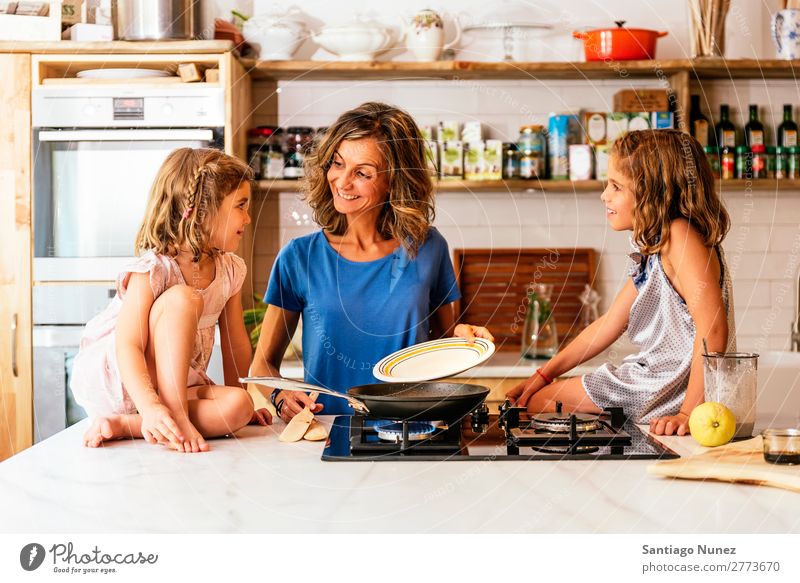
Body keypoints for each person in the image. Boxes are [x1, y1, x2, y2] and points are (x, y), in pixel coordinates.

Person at [250, 102, 493, 421]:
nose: (342, 181)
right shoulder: (299, 257)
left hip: (413, 426)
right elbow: (262, 365)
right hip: (328, 427)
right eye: (337, 164)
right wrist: (281, 396)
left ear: (395, 180)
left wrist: (464, 335)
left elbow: (444, 342)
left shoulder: (429, 247)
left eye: (362, 173)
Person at [507, 129, 736, 436]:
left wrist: (688, 412)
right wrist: (543, 374)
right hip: (656, 381)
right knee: (540, 397)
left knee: (540, 403)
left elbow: (714, 330)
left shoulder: (680, 237)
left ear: (653, 192)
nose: (605, 195)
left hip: (667, 388)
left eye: (616, 186)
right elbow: (610, 323)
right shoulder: (658, 245)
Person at [71, 148, 271, 453]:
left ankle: (126, 426)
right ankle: (163, 416)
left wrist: (246, 399)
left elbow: (235, 345)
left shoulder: (230, 270)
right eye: (240, 206)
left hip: (178, 387)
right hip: (131, 386)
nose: (247, 217)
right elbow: (129, 345)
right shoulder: (155, 269)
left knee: (237, 407)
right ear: (204, 212)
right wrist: (151, 406)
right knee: (183, 299)